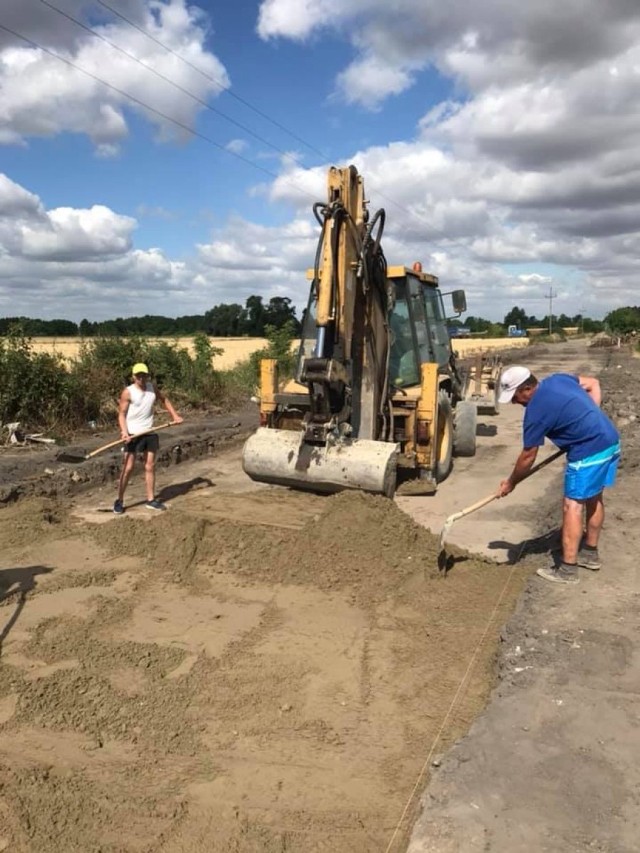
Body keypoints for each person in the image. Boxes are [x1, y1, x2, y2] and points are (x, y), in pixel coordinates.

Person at [496, 365, 620, 585]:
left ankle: (568, 569)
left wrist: (511, 482)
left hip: (588, 452)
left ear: (526, 388)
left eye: (515, 397)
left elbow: (528, 457)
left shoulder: (535, 412)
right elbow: (593, 384)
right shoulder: (558, 380)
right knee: (594, 497)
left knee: (572, 505)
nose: (515, 403)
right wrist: (591, 418)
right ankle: (590, 554)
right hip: (609, 440)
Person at [113, 363, 183, 514]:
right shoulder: (128, 392)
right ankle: (119, 500)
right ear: (133, 376)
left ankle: (151, 500)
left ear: (147, 376)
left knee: (150, 466)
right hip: (133, 434)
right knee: (128, 467)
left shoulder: (152, 388)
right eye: (138, 375)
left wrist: (175, 415)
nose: (141, 378)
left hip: (150, 432)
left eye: (144, 375)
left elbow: (165, 400)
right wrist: (124, 432)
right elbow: (121, 414)